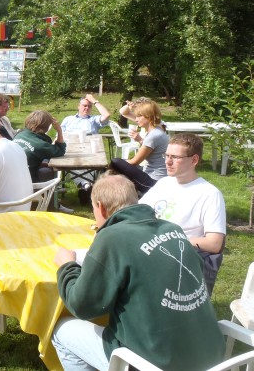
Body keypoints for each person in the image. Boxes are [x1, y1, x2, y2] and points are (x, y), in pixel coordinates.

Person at [52, 173, 225, 371]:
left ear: (100, 207)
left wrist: (67, 266)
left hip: (155, 363)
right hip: (210, 357)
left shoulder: (112, 237)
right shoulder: (174, 229)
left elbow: (82, 306)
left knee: (61, 331)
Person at [139, 133, 226, 294]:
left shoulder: (209, 194)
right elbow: (139, 212)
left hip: (178, 260)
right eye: (166, 155)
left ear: (194, 160)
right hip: (149, 251)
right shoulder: (165, 183)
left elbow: (214, 244)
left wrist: (168, 239)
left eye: (175, 157)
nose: (167, 161)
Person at [109, 99, 169, 194]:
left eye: (139, 116)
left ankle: (110, 190)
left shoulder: (154, 135)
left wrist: (115, 165)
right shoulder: (158, 129)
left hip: (153, 182)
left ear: (148, 117)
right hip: (157, 177)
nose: (136, 119)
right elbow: (123, 112)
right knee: (119, 165)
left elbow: (134, 162)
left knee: (115, 161)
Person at [61, 94, 111, 203]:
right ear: (78, 106)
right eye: (84, 105)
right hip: (71, 150)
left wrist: (95, 101)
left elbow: (106, 115)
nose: (86, 108)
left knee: (86, 164)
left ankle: (85, 186)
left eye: (89, 106)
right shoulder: (68, 119)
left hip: (90, 150)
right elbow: (60, 135)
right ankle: (87, 186)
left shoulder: (93, 120)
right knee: (74, 162)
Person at [13, 110, 66, 182]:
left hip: (10, 176)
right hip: (28, 181)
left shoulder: (19, 134)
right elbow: (60, 150)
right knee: (48, 171)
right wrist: (59, 130)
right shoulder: (41, 145)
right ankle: (51, 191)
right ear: (46, 127)